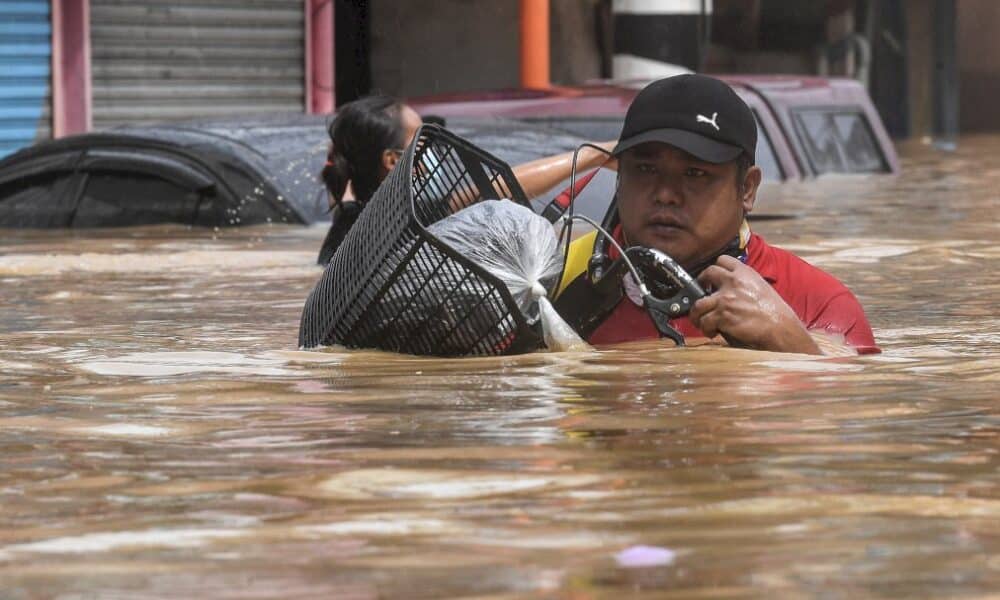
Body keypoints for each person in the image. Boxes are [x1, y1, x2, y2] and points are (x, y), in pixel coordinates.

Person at [554, 74, 878, 355]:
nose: (665, 194)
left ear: (747, 189)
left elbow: (847, 402)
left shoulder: (817, 303)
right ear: (619, 177)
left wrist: (785, 338)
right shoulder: (557, 278)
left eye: (695, 174)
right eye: (645, 169)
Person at [317, 94, 614, 265]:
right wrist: (590, 156)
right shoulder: (403, 220)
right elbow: (494, 188)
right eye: (423, 138)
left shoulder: (349, 219)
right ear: (393, 160)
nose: (432, 147)